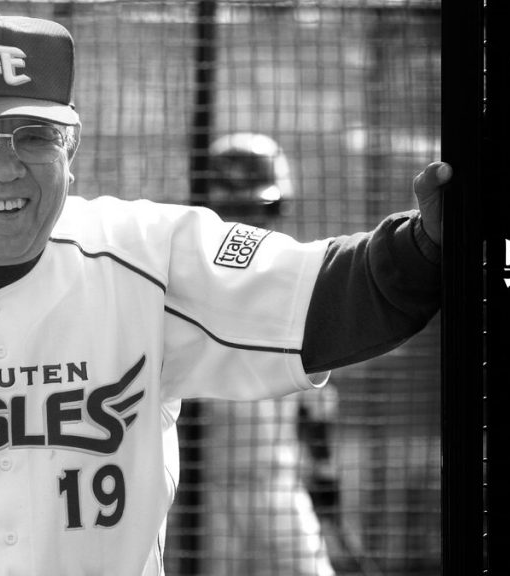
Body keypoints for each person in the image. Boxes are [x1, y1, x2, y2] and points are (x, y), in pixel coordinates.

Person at [0, 11, 445, 576]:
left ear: (72, 147)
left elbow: (329, 296)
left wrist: (429, 245)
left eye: (35, 136)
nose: (5, 165)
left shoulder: (147, 257)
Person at [199, 133, 337, 576]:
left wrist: (324, 471)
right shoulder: (181, 287)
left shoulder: (293, 281)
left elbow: (316, 404)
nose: (250, 223)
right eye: (237, 211)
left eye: (259, 210)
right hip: (203, 492)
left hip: (279, 486)